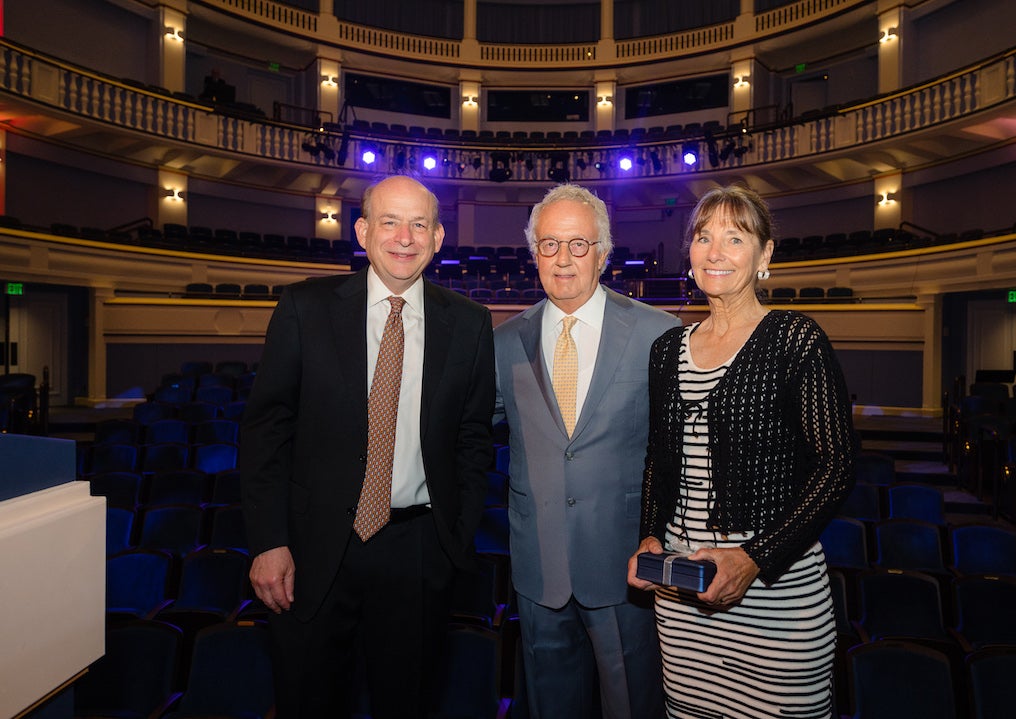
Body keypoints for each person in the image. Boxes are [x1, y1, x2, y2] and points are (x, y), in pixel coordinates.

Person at [241, 175, 495, 719]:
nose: (405, 237)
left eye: (419, 224)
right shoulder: (304, 307)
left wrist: (455, 533)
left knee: (408, 703)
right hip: (311, 553)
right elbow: (267, 432)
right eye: (389, 221)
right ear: (361, 231)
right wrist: (269, 541)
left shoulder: (470, 324)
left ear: (439, 237)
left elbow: (474, 438)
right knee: (308, 702)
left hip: (420, 552)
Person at [627, 184, 857, 719]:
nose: (715, 252)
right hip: (682, 597)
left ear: (764, 254)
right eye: (704, 238)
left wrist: (754, 559)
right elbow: (658, 464)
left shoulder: (795, 338)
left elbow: (837, 466)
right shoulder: (667, 350)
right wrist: (649, 535)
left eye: (735, 238)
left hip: (776, 600)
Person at [494, 183, 678, 719]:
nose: (564, 259)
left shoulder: (658, 334)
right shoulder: (505, 341)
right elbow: (466, 433)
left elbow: (681, 454)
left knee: (632, 705)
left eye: (579, 244)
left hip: (625, 568)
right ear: (534, 255)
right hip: (537, 569)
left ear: (603, 252)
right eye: (549, 245)